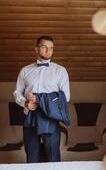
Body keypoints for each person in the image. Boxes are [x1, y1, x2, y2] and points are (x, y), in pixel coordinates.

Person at [13, 35, 70, 163]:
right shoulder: (25, 71)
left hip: (51, 117)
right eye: (44, 47)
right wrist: (26, 103)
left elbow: (65, 96)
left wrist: (39, 99)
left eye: (51, 48)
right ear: (36, 49)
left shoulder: (60, 71)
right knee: (32, 154)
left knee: (52, 155)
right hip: (30, 116)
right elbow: (17, 93)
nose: (48, 51)